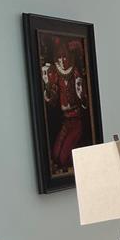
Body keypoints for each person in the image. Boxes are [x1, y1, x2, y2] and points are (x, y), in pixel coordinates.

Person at [42, 38, 88, 173]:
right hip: (65, 121)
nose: (62, 60)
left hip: (76, 120)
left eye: (64, 57)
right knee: (55, 155)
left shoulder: (75, 73)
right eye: (59, 57)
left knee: (63, 159)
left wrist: (82, 96)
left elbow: (83, 97)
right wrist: (48, 89)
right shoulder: (56, 74)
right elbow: (52, 100)